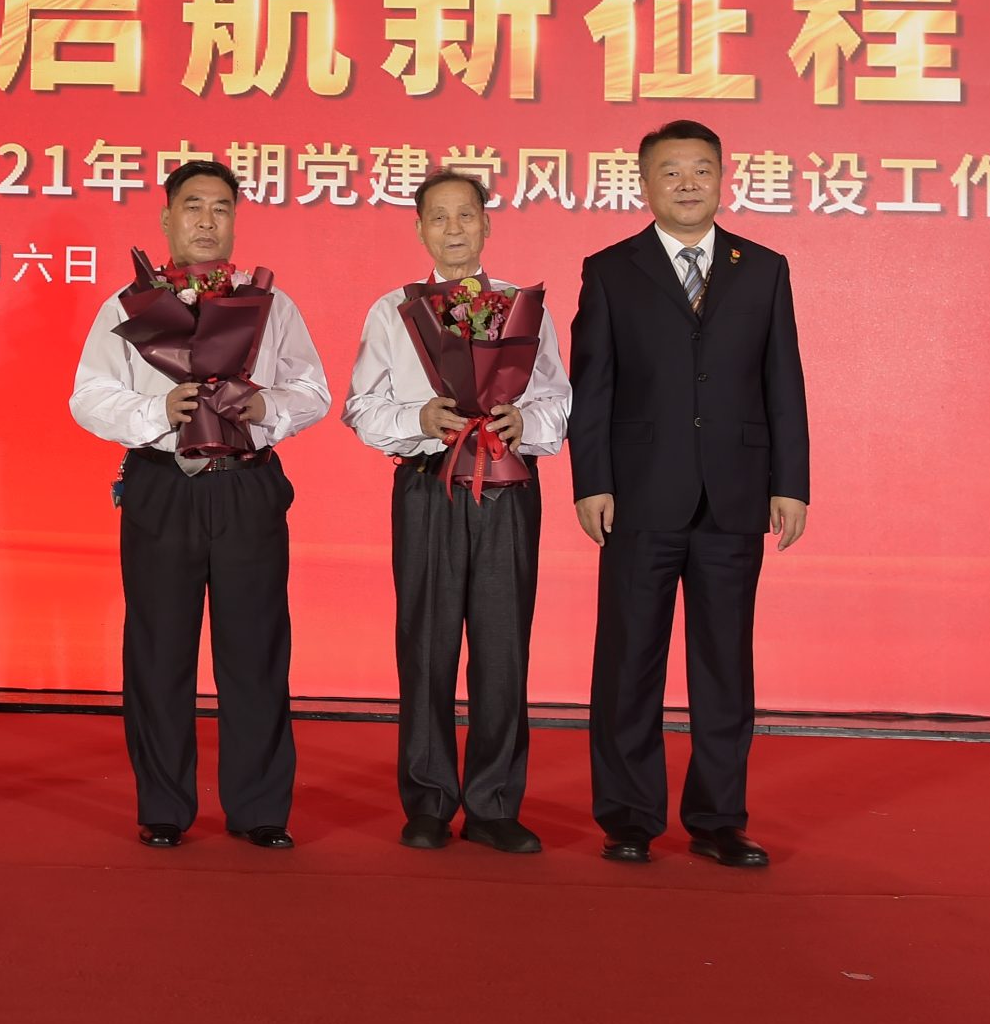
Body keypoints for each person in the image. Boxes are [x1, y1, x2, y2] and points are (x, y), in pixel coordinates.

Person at [67, 159, 331, 850]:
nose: (207, 221)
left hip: (246, 486)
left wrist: (267, 406)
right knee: (158, 651)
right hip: (163, 486)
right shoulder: (129, 306)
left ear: (235, 219)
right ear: (166, 218)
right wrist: (160, 410)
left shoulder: (269, 304)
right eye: (193, 207)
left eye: (220, 208)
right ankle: (164, 805)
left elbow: (313, 391)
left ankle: (259, 808)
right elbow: (89, 397)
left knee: (256, 651)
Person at [569, 119, 809, 868]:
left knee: (724, 665)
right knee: (628, 663)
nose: (687, 184)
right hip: (639, 496)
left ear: (722, 178)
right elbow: (592, 387)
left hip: (735, 497)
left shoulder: (763, 269)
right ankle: (628, 817)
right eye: (670, 171)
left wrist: (791, 484)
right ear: (644, 183)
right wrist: (592, 481)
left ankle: (718, 820)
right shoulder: (611, 270)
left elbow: (783, 382)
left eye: (701, 169)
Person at [343, 170, 569, 854]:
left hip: (506, 488)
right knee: (426, 646)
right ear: (420, 230)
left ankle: (495, 804)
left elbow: (557, 400)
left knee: (503, 649)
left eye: (465, 216)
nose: (453, 230)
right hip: (427, 489)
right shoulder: (393, 311)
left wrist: (523, 421)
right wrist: (419, 418)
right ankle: (429, 801)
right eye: (438, 218)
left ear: (486, 224)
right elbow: (361, 406)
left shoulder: (522, 309)